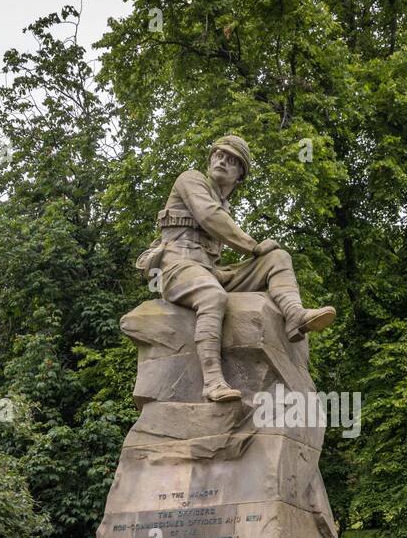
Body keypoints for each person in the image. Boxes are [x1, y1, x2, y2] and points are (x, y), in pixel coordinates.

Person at [135, 135, 336, 402]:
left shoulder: (225, 205)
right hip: (176, 267)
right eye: (219, 155)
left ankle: (294, 315)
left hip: (209, 271)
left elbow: (217, 223)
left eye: (231, 160)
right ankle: (213, 382)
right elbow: (209, 217)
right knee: (212, 295)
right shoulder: (191, 179)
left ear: (240, 174)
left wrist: (258, 255)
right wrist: (252, 247)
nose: (222, 161)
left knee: (277, 258)